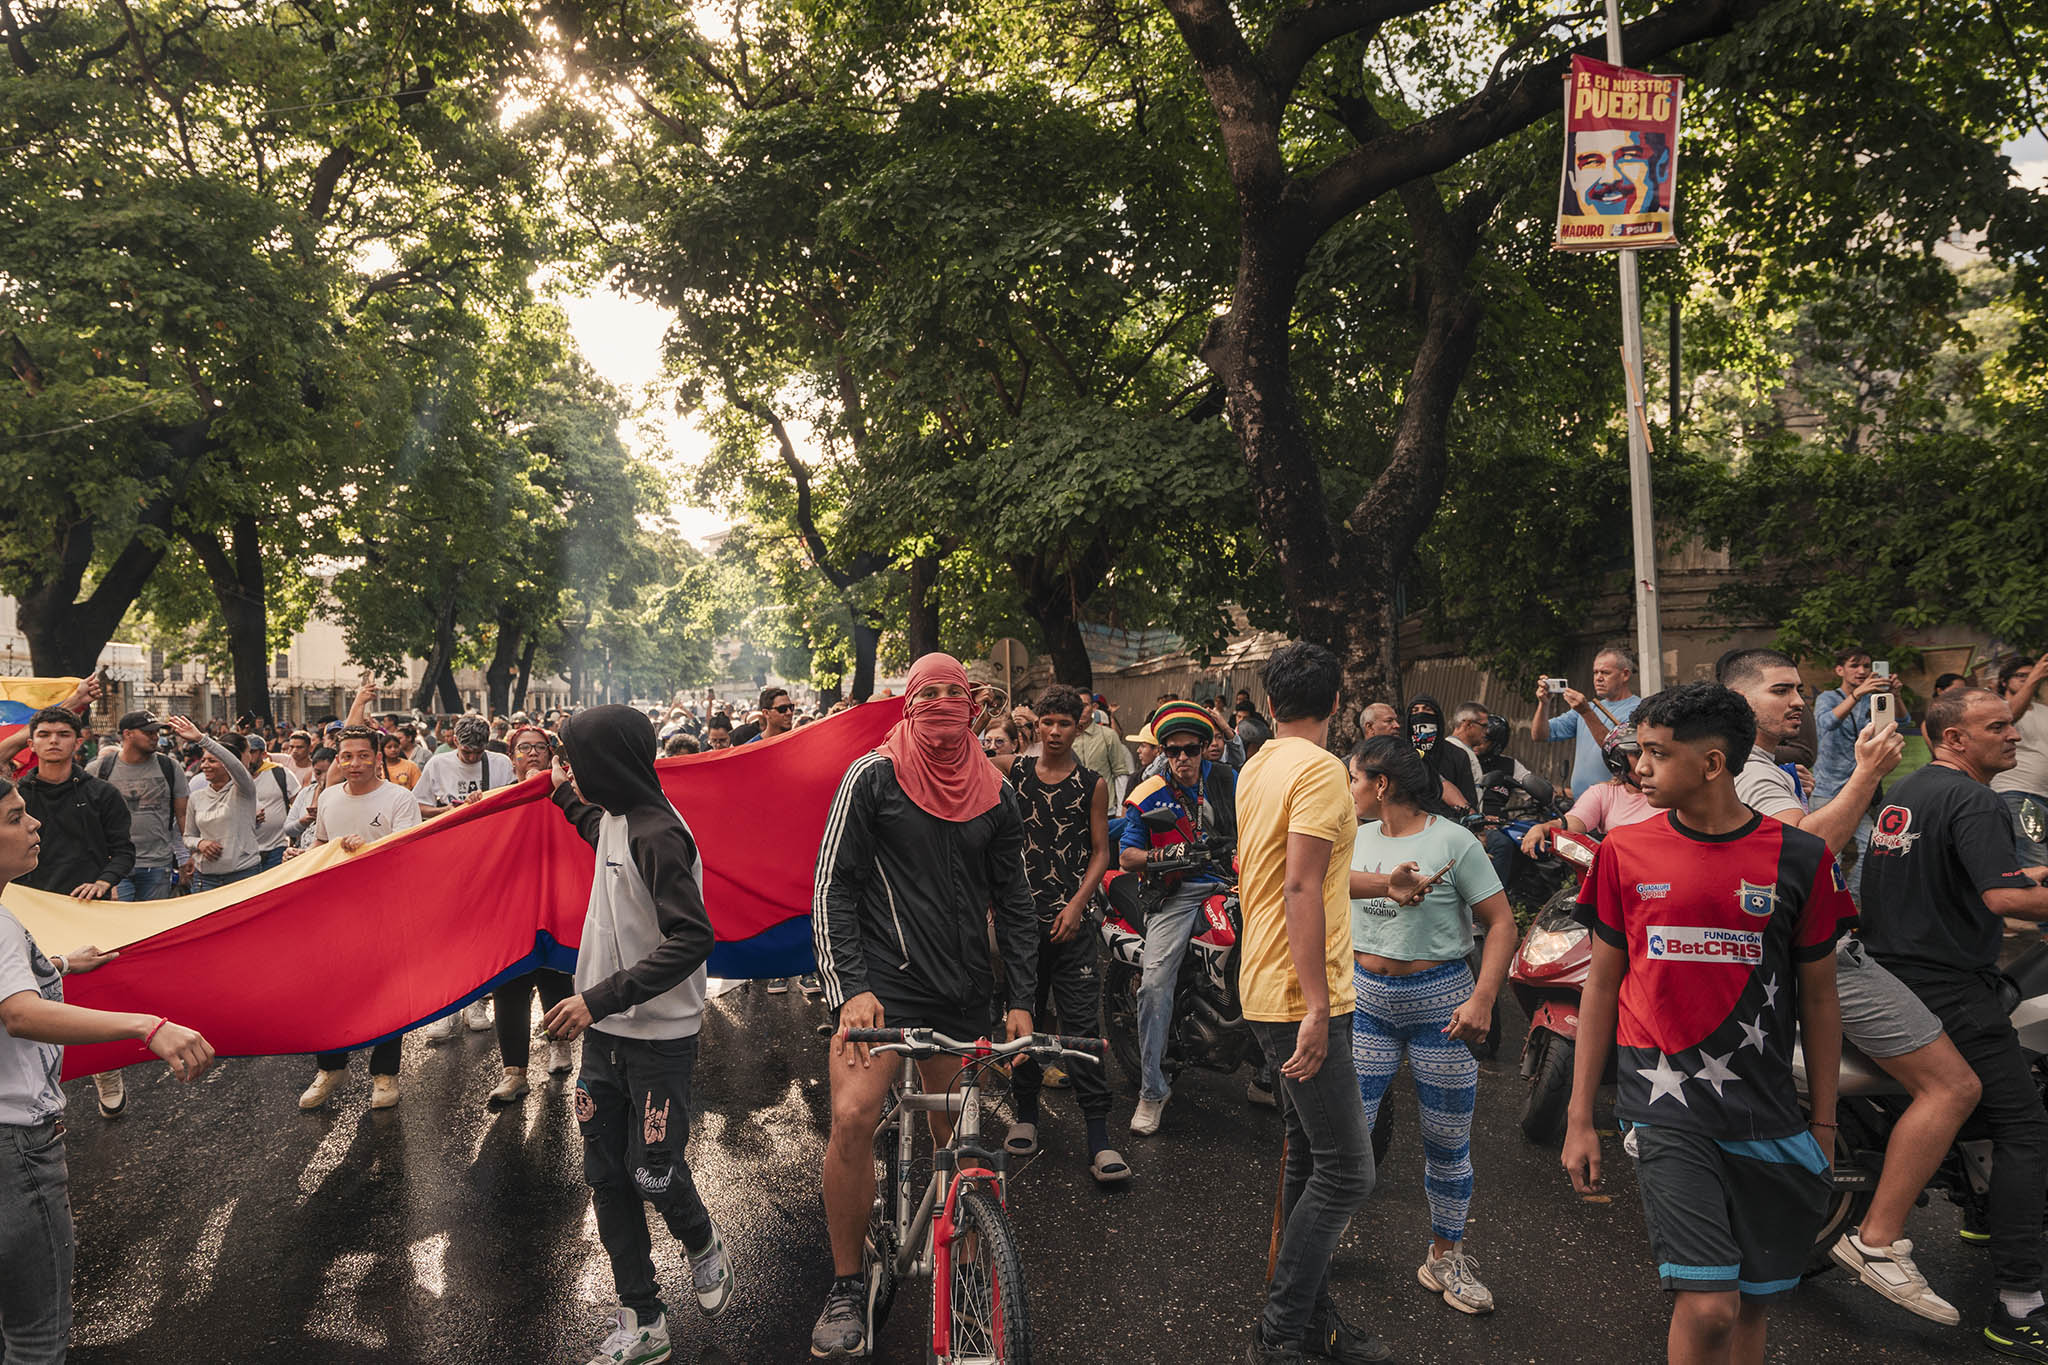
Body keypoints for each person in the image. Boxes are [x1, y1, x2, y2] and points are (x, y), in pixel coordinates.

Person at [1563, 682, 1851, 1365]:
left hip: (1767, 1110)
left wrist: (1826, 1124)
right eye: (1641, 751)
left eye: (1658, 754)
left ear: (1714, 764)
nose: (1640, 767)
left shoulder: (1801, 857)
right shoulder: (1622, 852)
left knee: (1752, 1299)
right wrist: (1581, 1115)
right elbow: (1601, 986)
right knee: (1710, 1305)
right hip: (1666, 1106)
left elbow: (1819, 999)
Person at [1720, 650, 1976, 1325]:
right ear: (1738, 701)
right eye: (1781, 690)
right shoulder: (1750, 769)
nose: (1797, 700)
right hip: (1823, 957)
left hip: (1787, 952)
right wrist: (1865, 773)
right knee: (1955, 1085)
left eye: (1800, 689)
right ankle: (1879, 1236)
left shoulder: (1752, 770)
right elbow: (1810, 850)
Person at [810, 653, 1037, 1360]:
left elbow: (1018, 901)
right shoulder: (870, 777)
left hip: (964, 991)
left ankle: (967, 1266)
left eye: (955, 693)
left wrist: (1023, 1000)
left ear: (975, 704)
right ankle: (848, 1283)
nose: (943, 704)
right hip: (882, 991)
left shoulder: (998, 791)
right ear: (909, 704)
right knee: (852, 1116)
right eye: (928, 692)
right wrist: (852, 988)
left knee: (960, 1140)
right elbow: (832, 890)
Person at [541, 705, 733, 1364]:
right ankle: (643, 1319)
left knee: (651, 1172)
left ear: (611, 762)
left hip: (658, 1040)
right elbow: (597, 827)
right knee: (606, 1175)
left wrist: (596, 998)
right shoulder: (621, 815)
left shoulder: (657, 832)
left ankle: (703, 1240)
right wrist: (559, 789)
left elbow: (694, 935)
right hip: (605, 1039)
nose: (579, 768)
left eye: (580, 758)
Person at [1859, 687, 2048, 1358]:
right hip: (1948, 986)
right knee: (2027, 1123)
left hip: (1894, 975)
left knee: (1999, 1101)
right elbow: (2003, 895)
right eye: (1997, 726)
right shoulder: (1978, 800)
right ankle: (2020, 1300)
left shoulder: (1911, 792)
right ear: (1956, 738)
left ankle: (1980, 1208)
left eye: (2013, 723)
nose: (2013, 735)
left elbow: (1960, 873)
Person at [0, 776, 215, 1362]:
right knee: (35, 1337)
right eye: (16, 817)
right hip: (15, 1148)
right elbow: (18, 1014)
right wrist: (143, 1025)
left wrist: (65, 963)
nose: (34, 824)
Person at [1238, 642, 1406, 1365]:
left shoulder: (1259, 764)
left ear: (1270, 703)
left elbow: (1307, 873)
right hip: (1301, 994)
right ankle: (1278, 1335)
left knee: (1311, 1155)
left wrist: (1384, 883)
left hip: (1267, 983)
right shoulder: (1323, 772)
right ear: (1337, 704)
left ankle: (1311, 1325)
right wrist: (1314, 1005)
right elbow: (1299, 887)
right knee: (1349, 1169)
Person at [1346, 734, 1514, 1316]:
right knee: (1347, 1134)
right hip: (1366, 1002)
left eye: (1355, 779)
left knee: (1446, 1143)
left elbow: (1501, 924)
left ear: (1381, 784)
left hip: (1441, 1006)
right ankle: (1317, 1237)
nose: (1351, 790)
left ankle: (1445, 1255)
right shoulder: (1356, 838)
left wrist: (1485, 1000)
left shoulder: (1454, 840)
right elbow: (1321, 890)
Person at [988, 685, 1121, 1182]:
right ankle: (1025, 1117)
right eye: (1048, 723)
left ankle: (1099, 1138)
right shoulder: (1013, 771)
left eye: (1066, 723)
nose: (1056, 731)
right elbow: (965, 757)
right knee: (1024, 1020)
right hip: (1021, 927)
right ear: (1036, 726)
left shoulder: (1093, 783)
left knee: (1082, 1029)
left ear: (1079, 726)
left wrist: (1077, 904)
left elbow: (1102, 852)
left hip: (1074, 925)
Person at [1119, 701, 1238, 1136]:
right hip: (1179, 895)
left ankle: (1267, 1074)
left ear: (1206, 747)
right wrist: (1165, 855)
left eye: (1190, 749)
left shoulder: (1229, 780)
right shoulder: (1150, 791)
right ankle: (1152, 1091)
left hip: (1235, 885)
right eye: (1172, 751)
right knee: (1153, 985)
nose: (1181, 758)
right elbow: (1127, 855)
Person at [297, 728, 423, 1111]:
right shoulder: (330, 796)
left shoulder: (399, 798)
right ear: (338, 759)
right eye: (347, 756)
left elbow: (407, 853)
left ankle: (385, 1075)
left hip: (384, 913)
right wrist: (301, 858)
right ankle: (330, 1068)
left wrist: (366, 849)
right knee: (328, 993)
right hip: (332, 913)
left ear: (377, 758)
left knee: (385, 993)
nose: (355, 764)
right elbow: (321, 843)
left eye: (363, 756)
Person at [486, 725, 578, 1105]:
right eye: (524, 748)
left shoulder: (570, 797)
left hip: (559, 907)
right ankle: (514, 1073)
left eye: (540, 747)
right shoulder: (496, 799)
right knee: (509, 987)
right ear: (512, 758)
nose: (533, 754)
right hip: (511, 911)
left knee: (556, 978)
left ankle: (559, 1046)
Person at [1812, 648, 1912, 893]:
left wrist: (1895, 695)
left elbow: (1903, 722)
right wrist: (1857, 694)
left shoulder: (1873, 698)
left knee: (1873, 846)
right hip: (1827, 788)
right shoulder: (1828, 697)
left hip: (1858, 788)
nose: (1862, 671)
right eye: (1854, 665)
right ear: (1840, 670)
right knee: (1828, 854)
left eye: (1867, 666)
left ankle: (1854, 900)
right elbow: (1826, 723)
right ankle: (1828, 907)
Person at [90, 712, 188, 902]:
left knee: (154, 927)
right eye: (148, 732)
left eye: (156, 732)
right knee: (121, 926)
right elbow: (88, 820)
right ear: (127, 734)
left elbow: (182, 816)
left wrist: (185, 856)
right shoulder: (99, 769)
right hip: (114, 865)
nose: (155, 737)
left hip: (158, 863)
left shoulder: (169, 767)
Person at [1532, 645, 1643, 798]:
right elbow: (1540, 735)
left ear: (1625, 675)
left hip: (1615, 803)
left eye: (1605, 672)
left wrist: (1586, 712)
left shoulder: (1639, 710)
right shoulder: (1589, 708)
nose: (1598, 678)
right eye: (1595, 672)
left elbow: (1618, 753)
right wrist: (1544, 704)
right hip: (1582, 802)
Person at [170, 718, 261, 892]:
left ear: (227, 765)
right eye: (203, 761)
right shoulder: (196, 798)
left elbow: (236, 765)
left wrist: (201, 738)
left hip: (242, 875)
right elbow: (188, 837)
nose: (205, 765)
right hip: (205, 880)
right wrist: (200, 844)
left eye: (212, 761)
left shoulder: (243, 790)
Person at [1992, 652, 2048, 869]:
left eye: (2030, 675)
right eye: (2021, 676)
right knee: (2036, 865)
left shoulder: (2044, 710)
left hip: (2044, 794)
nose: (2028, 678)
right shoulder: (1997, 707)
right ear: (2004, 681)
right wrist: (2035, 676)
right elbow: (2009, 717)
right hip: (2019, 794)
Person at [416, 716, 515, 817]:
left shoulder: (502, 763)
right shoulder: (437, 764)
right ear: (455, 741)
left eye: (479, 752)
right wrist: (445, 811)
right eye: (466, 752)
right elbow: (417, 806)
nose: (472, 758)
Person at [1407, 696, 1476, 811]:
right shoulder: (1400, 753)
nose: (1420, 714)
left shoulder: (1457, 755)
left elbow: (1469, 799)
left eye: (1427, 709)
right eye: (1415, 711)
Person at [244, 738, 300, 873]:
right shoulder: (233, 779)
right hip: (245, 854)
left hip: (277, 849)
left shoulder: (280, 773)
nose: (247, 757)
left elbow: (299, 806)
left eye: (252, 752)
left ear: (263, 754)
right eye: (244, 752)